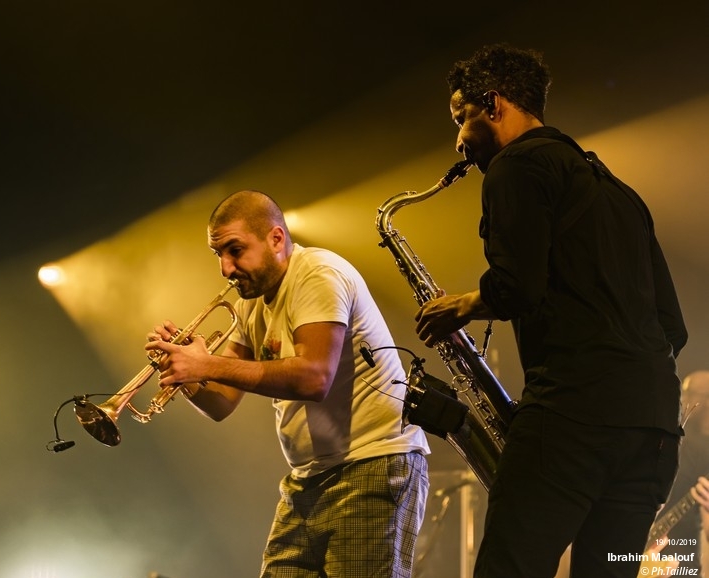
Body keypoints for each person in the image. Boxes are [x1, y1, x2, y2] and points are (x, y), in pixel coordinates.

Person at [414, 43, 688, 578]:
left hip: (571, 419)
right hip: (651, 431)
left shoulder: (516, 166)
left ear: (492, 103)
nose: (458, 141)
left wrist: (466, 305)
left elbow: (516, 287)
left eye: (460, 118)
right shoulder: (620, 191)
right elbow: (673, 327)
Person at [146, 190, 431, 578]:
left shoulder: (317, 273)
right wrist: (187, 374)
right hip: (308, 480)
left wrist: (206, 363)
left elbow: (314, 378)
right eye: (219, 255)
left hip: (372, 464)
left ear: (276, 239)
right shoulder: (251, 301)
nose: (226, 269)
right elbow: (222, 403)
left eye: (235, 250)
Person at [660, 370, 709, 576]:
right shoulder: (676, 441)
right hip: (653, 546)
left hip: (685, 554)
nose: (683, 399)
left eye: (691, 392)